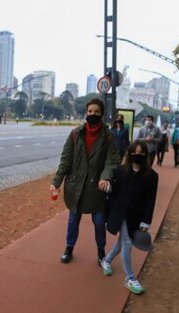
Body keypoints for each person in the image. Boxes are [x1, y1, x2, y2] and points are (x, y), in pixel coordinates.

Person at [50, 98, 120, 265]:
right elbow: (66, 160)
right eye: (90, 111)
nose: (93, 114)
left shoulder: (108, 137)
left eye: (96, 112)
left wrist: (105, 177)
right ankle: (69, 247)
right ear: (86, 113)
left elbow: (112, 161)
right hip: (76, 187)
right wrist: (56, 182)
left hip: (97, 188)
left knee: (98, 222)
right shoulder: (76, 134)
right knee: (73, 220)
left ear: (102, 114)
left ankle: (101, 251)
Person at [100, 140, 159, 294]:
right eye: (134, 152)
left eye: (141, 153)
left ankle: (106, 261)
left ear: (146, 155)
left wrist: (147, 220)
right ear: (129, 153)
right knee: (127, 243)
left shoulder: (152, 176)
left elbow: (150, 200)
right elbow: (112, 193)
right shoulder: (120, 171)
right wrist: (109, 188)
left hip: (136, 215)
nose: (137, 155)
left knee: (122, 241)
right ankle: (130, 278)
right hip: (119, 213)